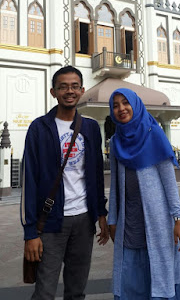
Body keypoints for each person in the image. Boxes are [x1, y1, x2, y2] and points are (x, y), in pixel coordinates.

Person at [21, 65, 109, 300]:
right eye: (63, 87)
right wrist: (30, 232)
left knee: (77, 290)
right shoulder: (39, 128)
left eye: (73, 86)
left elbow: (96, 174)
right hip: (49, 223)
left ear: (82, 90)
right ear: (53, 92)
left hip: (83, 220)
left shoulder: (90, 127)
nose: (69, 91)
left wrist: (101, 212)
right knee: (44, 291)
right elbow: (29, 181)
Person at [108, 88, 180, 300]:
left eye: (125, 103)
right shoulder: (116, 142)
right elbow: (115, 185)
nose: (121, 109)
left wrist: (178, 219)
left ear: (135, 105)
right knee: (131, 277)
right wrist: (113, 219)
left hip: (158, 221)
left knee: (159, 271)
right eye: (115, 105)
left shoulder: (154, 135)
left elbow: (169, 181)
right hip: (130, 222)